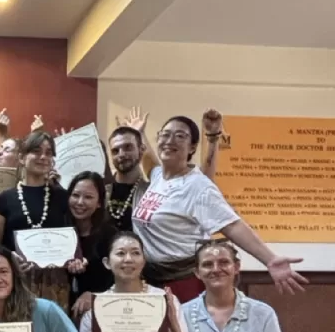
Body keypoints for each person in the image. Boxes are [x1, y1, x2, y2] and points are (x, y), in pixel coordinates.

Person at [132, 114, 307, 302]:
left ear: (192, 147)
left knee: (185, 323)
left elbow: (232, 225)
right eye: (165, 134)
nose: (169, 141)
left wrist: (269, 259)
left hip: (182, 282)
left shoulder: (199, 187)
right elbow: (149, 161)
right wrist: (139, 132)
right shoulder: (159, 176)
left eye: (180, 136)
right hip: (151, 280)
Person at [0, 130, 71, 305]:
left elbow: (73, 239)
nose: (43, 157)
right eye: (36, 151)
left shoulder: (62, 196)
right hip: (16, 279)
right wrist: (10, 257)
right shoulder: (5, 199)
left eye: (49, 153)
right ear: (22, 158)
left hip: (55, 284)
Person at [65, 171, 116, 318]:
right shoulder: (60, 232)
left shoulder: (110, 236)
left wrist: (95, 295)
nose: (80, 202)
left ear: (99, 202)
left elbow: (119, 279)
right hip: (62, 308)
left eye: (88, 197)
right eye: (75, 195)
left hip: (100, 312)